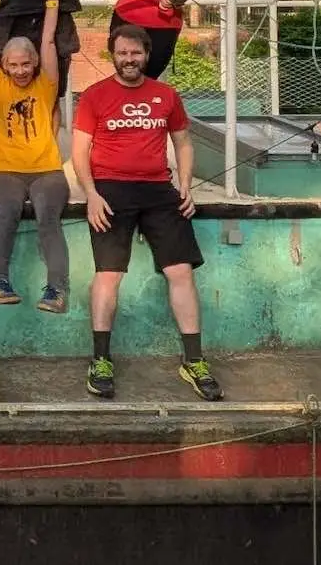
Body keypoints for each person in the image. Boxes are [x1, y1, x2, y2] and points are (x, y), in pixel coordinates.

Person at [71, 23, 222, 402]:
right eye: (122, 53)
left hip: (158, 190)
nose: (129, 59)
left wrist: (186, 186)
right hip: (110, 191)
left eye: (135, 53)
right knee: (108, 274)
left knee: (180, 271)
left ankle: (193, 361)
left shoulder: (166, 95)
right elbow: (79, 152)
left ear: (146, 54)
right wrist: (90, 194)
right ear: (113, 55)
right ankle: (101, 360)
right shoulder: (94, 96)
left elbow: (183, 143)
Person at [0, 0, 70, 313]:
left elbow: (49, 41)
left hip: (47, 170)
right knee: (7, 212)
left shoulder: (46, 84)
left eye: (26, 63)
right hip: (6, 171)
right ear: (6, 66)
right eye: (13, 65)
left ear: (35, 63)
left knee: (47, 217)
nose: (21, 70)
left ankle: (56, 288)